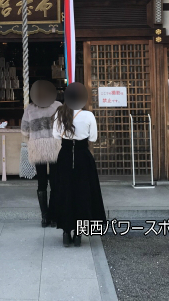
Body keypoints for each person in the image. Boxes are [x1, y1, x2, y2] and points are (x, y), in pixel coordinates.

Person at [52, 83, 106, 247]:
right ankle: (78, 235)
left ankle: (66, 233)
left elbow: (55, 135)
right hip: (83, 157)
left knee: (65, 191)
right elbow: (93, 138)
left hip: (66, 155)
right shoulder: (89, 116)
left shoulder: (60, 113)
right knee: (83, 193)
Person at [21, 80, 62, 228]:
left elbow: (24, 130)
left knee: (42, 182)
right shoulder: (58, 106)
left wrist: (31, 140)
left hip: (37, 148)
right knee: (56, 182)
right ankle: (54, 216)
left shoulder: (30, 109)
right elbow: (64, 126)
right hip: (55, 147)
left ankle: (44, 217)